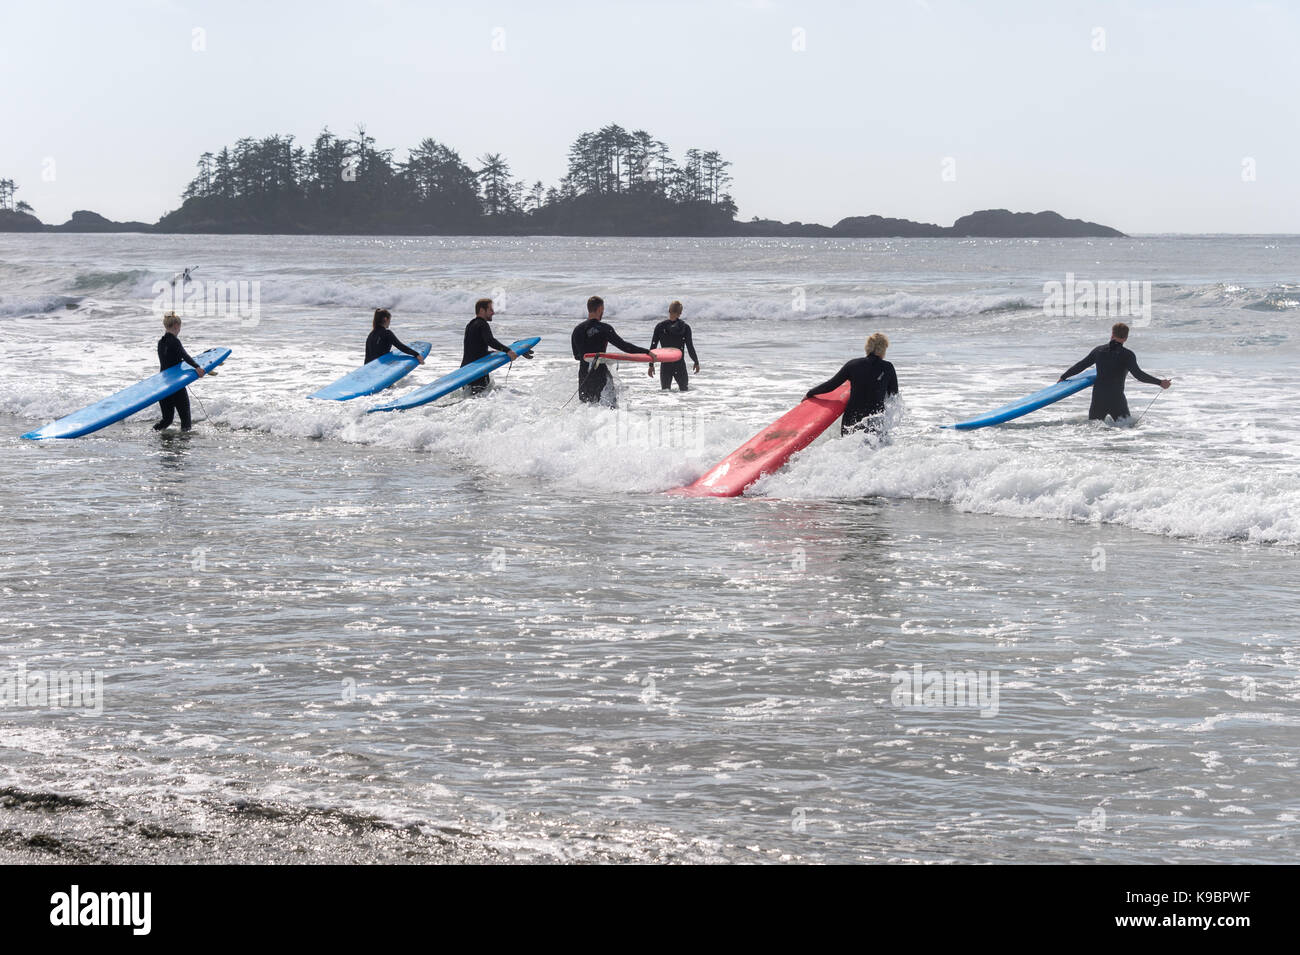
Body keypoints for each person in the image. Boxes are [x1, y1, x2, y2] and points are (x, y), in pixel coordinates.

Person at [1058, 322, 1171, 421]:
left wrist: (1064, 376)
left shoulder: (1099, 350)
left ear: (1112, 334)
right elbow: (1139, 375)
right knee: (1126, 428)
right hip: (1116, 398)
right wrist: (1160, 382)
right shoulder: (1127, 355)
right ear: (1126, 338)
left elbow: (1081, 365)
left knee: (1093, 429)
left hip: (1099, 397)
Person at [805, 332, 899, 436]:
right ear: (883, 349)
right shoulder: (888, 367)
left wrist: (810, 393)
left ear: (867, 347)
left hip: (852, 418)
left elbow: (831, 385)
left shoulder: (853, 365)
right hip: (875, 419)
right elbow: (893, 395)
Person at [570, 296, 652, 406]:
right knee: (610, 408)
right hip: (600, 374)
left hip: (584, 375)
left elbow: (577, 356)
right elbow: (624, 346)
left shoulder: (577, 330)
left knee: (587, 408)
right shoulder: (604, 328)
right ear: (600, 309)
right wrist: (646, 351)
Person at [153, 311, 206, 432]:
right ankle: (183, 448)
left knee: (167, 420)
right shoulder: (175, 341)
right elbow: (184, 355)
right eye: (180, 326)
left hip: (164, 384)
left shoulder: (161, 342)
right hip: (176, 384)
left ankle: (152, 434)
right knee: (186, 422)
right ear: (176, 326)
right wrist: (197, 367)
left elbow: (167, 361)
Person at [461, 298, 525, 395]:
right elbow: (490, 341)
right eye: (490, 309)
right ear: (482, 310)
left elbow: (473, 350)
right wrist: (508, 351)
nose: (493, 312)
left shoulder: (470, 325)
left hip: (465, 371)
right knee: (480, 400)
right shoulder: (483, 324)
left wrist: (493, 353)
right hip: (477, 372)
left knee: (468, 398)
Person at [648, 300, 700, 391]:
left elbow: (653, 347)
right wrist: (696, 362)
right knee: (684, 392)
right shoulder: (685, 327)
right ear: (680, 313)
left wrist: (651, 365)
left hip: (665, 364)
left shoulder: (660, 327)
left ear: (669, 311)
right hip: (679, 364)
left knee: (665, 393)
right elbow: (690, 347)